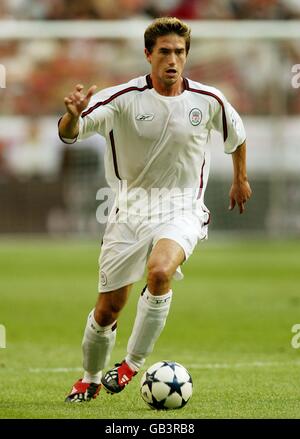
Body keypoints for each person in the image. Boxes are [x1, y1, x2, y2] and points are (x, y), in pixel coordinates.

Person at [58, 17, 252, 402]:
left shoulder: (208, 100)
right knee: (108, 309)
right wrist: (75, 114)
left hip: (183, 206)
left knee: (161, 271)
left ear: (187, 56)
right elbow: (68, 133)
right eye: (164, 51)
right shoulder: (123, 98)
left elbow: (237, 136)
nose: (173, 60)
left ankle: (131, 364)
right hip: (129, 211)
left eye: (179, 52)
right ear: (148, 54)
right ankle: (90, 378)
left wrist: (240, 179)